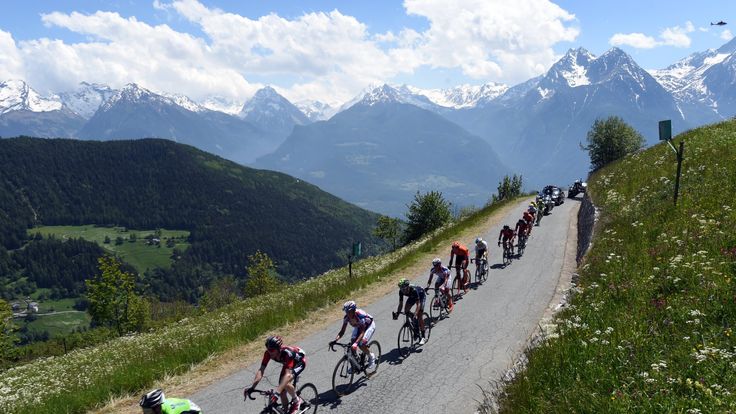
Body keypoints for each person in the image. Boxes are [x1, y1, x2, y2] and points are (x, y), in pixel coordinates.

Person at [245, 335, 307, 414]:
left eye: (272, 350)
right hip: (287, 364)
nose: (269, 352)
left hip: (299, 362)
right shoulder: (268, 353)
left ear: (278, 349)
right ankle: (286, 411)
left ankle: (297, 400)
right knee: (282, 391)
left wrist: (276, 394)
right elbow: (261, 370)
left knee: (285, 382)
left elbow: (288, 375)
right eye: (268, 349)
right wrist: (252, 387)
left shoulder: (287, 354)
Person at [330, 300, 376, 371]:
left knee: (361, 344)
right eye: (346, 312)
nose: (347, 313)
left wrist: (356, 343)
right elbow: (342, 331)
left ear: (354, 310)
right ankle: (355, 364)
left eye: (349, 312)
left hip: (369, 326)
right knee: (352, 343)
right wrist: (335, 340)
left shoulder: (360, 315)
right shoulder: (346, 318)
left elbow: (362, 332)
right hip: (359, 326)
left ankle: (371, 356)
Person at [392, 278, 427, 345]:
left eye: (404, 289)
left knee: (419, 316)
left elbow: (418, 304)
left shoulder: (413, 290)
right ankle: (415, 325)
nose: (403, 291)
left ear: (407, 287)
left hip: (421, 295)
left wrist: (416, 313)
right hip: (412, 297)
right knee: (406, 310)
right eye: (401, 289)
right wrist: (397, 314)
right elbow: (401, 304)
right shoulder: (401, 292)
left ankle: (423, 337)